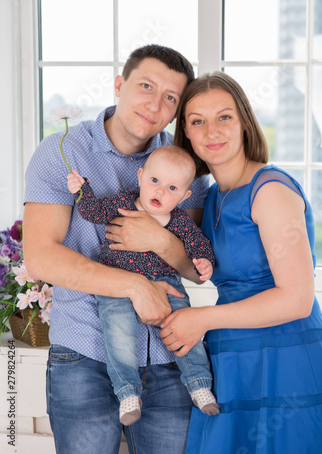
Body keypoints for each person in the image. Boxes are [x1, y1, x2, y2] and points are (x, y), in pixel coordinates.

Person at [23, 44, 211, 454]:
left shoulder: (184, 167)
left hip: (167, 356)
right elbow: (40, 256)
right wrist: (133, 286)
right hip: (83, 354)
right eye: (146, 86)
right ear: (119, 84)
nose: (154, 103)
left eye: (170, 98)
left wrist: (161, 240)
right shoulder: (64, 153)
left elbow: (196, 267)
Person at [160, 71, 322, 453]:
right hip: (232, 356)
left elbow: (297, 299)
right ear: (185, 132)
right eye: (198, 121)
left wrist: (200, 319)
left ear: (245, 122)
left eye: (224, 117)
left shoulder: (270, 190)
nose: (211, 131)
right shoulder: (213, 196)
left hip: (284, 359)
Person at [67, 145, 220, 426]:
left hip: (167, 283)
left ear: (185, 196)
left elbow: (199, 249)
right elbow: (91, 211)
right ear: (140, 177)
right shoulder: (122, 204)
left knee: (183, 328)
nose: (160, 192)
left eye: (172, 188)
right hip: (117, 283)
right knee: (120, 334)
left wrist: (204, 262)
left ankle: (199, 383)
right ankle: (128, 392)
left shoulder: (181, 223)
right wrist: (81, 190)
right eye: (154, 181)